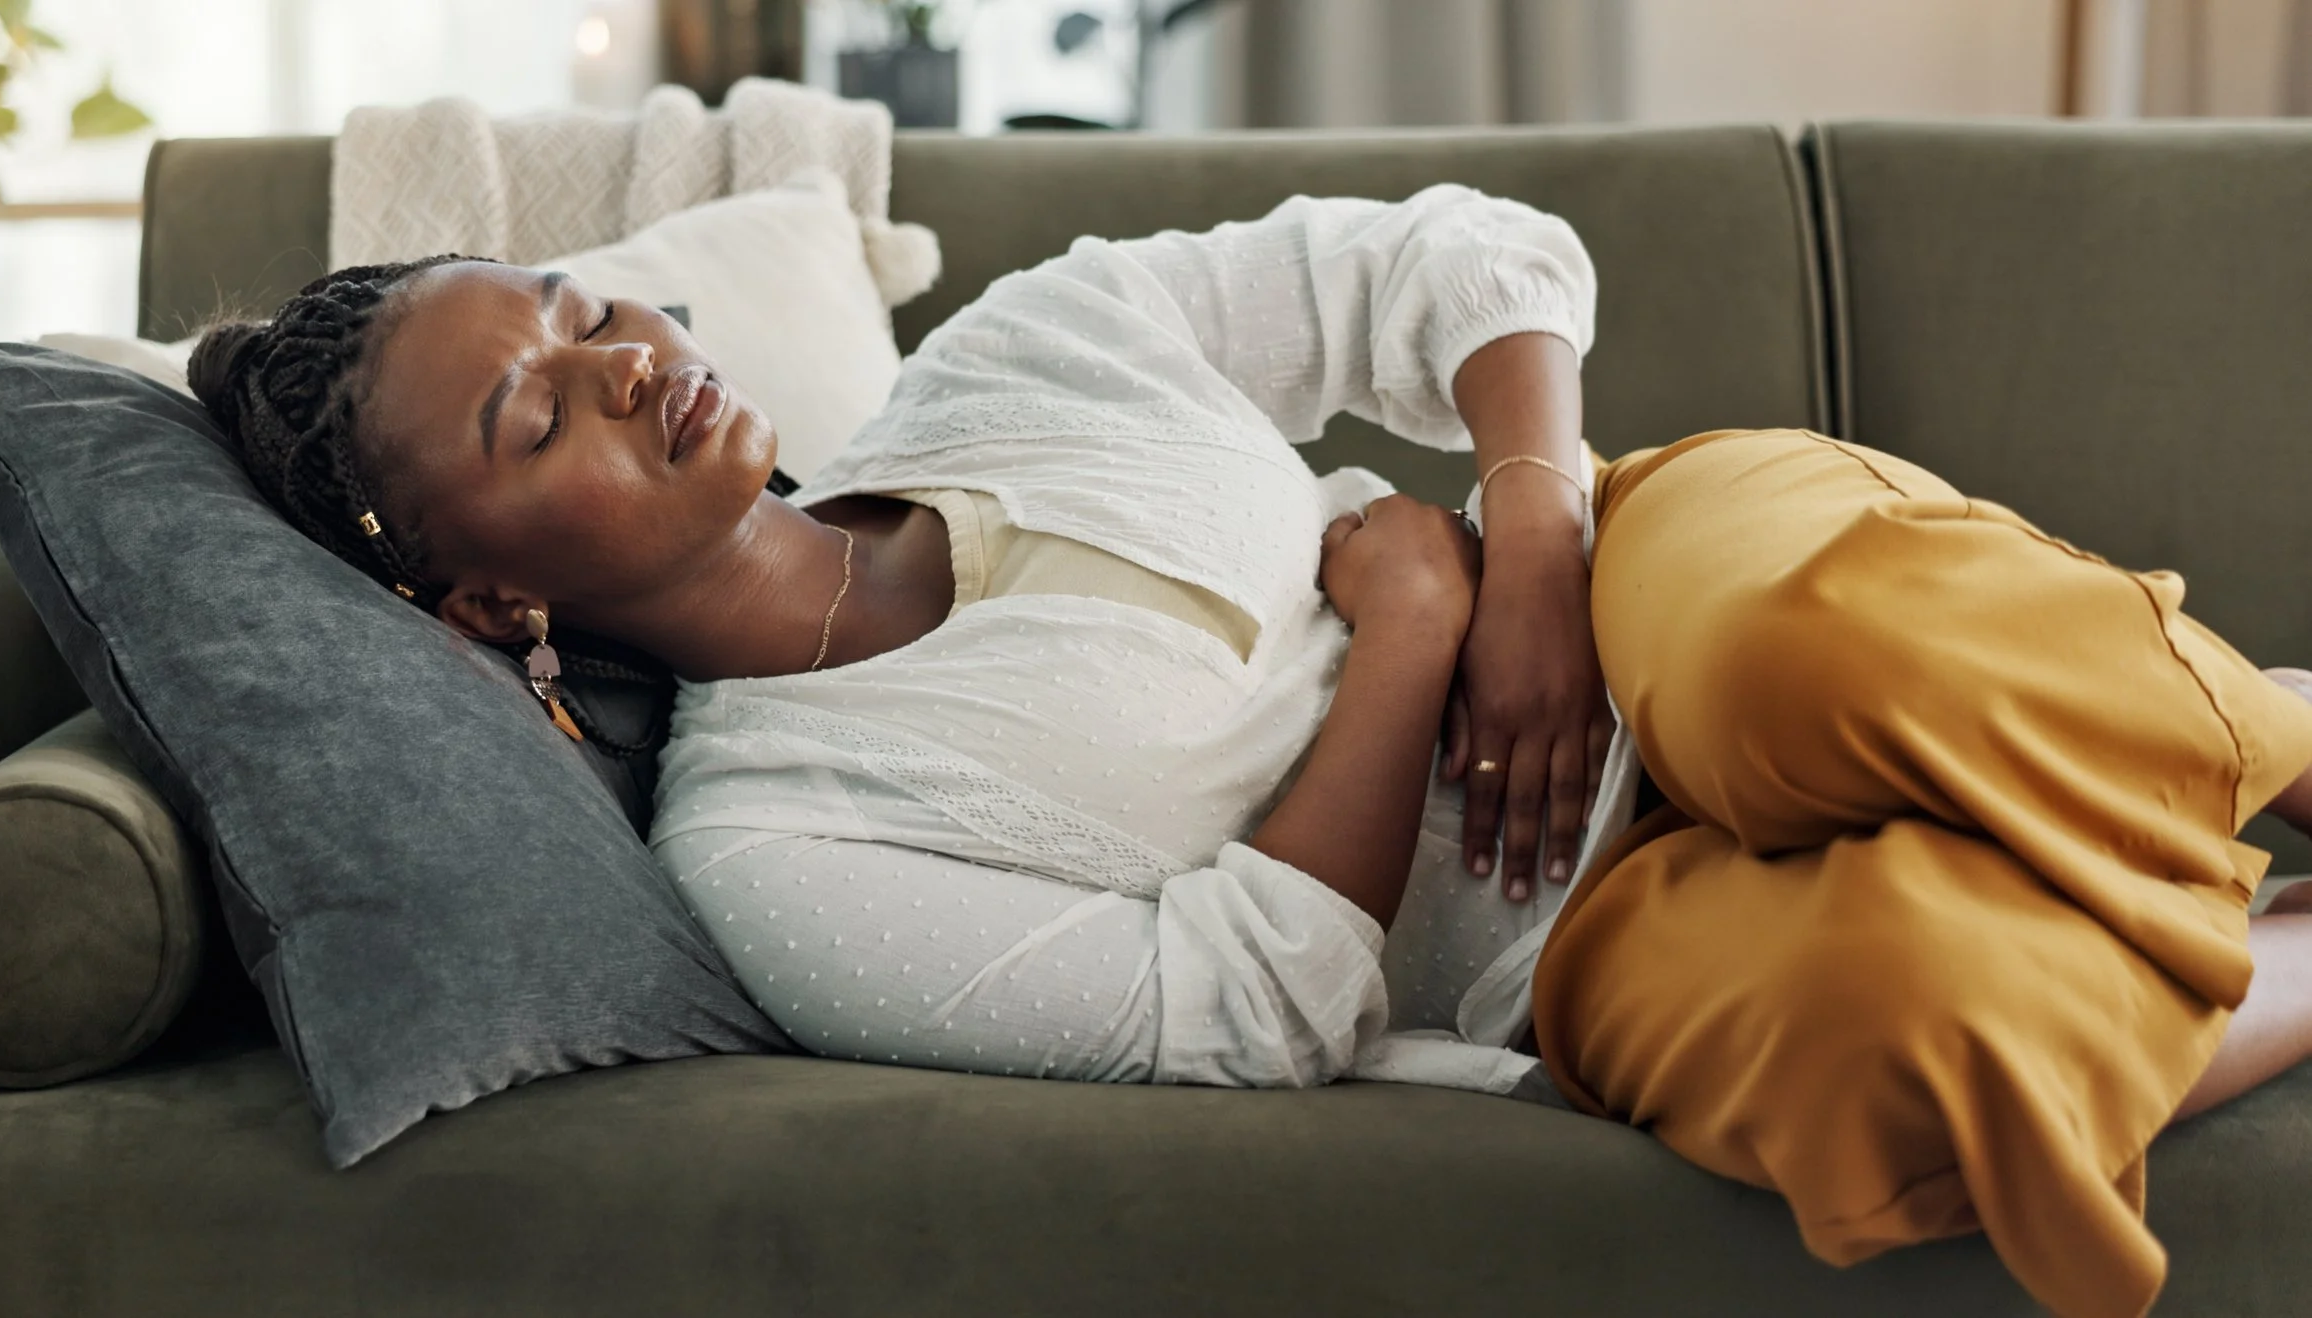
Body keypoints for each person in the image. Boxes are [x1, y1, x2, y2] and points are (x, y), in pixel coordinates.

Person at [188, 184, 2312, 1318]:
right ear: (484, 605)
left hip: (1662, 581)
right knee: (1896, 1045)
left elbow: (1456, 256)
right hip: (1557, 941)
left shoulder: (1015, 348)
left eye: (577, 311)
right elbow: (1247, 1006)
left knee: (1804, 657)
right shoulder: (776, 849)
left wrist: (1533, 540)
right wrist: (1397, 633)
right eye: (532, 414)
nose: (623, 364)